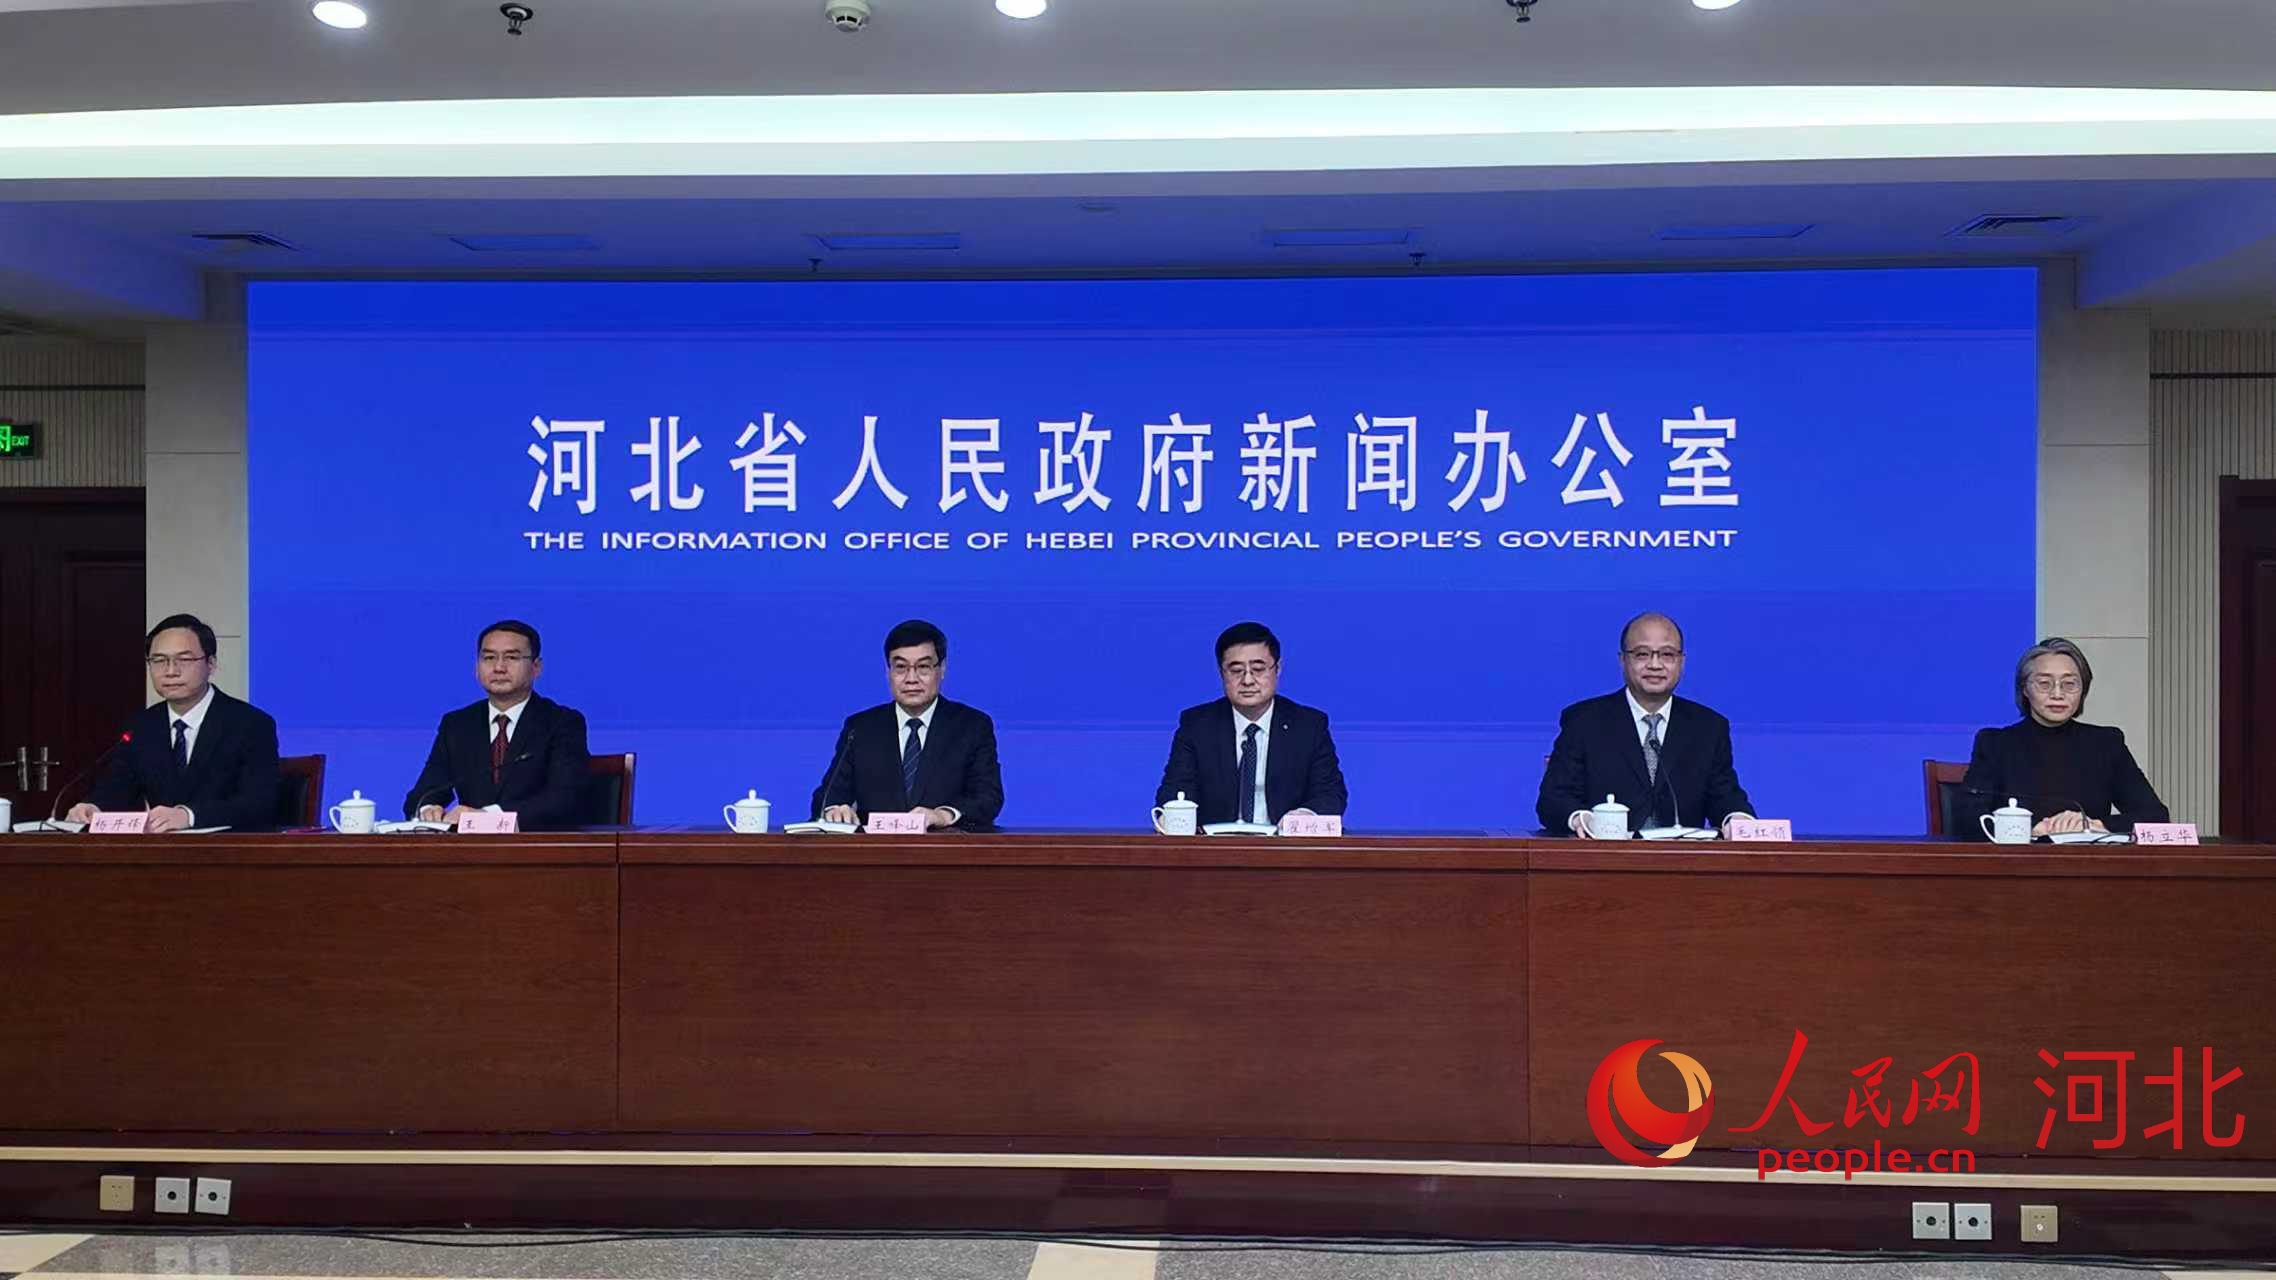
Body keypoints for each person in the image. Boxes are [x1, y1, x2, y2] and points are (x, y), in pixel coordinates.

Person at [1536, 611, 1755, 837]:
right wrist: (1580, 818)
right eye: (1642, 654)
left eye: (1667, 654)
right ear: (1623, 660)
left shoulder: (1708, 727)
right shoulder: (1584, 721)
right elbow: (1553, 799)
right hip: (1607, 854)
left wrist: (1737, 819)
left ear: (1681, 661)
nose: (1655, 664)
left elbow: (1725, 796)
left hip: (1681, 856)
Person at [70, 613, 282, 832]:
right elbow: (118, 787)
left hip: (228, 849)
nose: (171, 671)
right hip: (161, 850)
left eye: (184, 660)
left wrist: (189, 816)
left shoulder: (251, 724)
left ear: (211, 664)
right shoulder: (142, 726)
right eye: (159, 660)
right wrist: (93, 807)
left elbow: (259, 803)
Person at [1956, 637, 2168, 839]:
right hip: (2019, 860)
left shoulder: (2106, 743)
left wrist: (2096, 825)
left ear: (2083, 689)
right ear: (2025, 689)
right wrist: (2029, 829)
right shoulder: (1995, 744)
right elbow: (1966, 818)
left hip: (2088, 861)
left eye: (2069, 684)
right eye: (2044, 683)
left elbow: (2156, 816)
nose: (2057, 694)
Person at [811, 619, 1004, 832]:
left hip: (945, 848)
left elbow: (988, 797)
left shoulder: (972, 726)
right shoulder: (860, 728)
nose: (911, 679)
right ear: (888, 671)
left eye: (923, 667)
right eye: (901, 667)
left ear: (942, 669)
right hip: (876, 850)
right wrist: (834, 810)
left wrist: (943, 815)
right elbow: (826, 797)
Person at [1155, 621, 1348, 828]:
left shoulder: (1308, 726)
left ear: (1277, 669)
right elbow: (1175, 790)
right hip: (1217, 844)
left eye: (1258, 669)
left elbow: (1330, 793)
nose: (1247, 680)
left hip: (1286, 844)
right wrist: (1174, 815)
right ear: (1221, 673)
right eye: (1236, 670)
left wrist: (1305, 815)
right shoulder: (1197, 726)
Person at [403, 620, 591, 830]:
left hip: (534, 844)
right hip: (470, 847)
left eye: (511, 657)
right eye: (489, 658)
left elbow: (564, 799)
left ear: (536, 667)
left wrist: (488, 817)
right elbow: (422, 794)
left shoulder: (562, 722)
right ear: (477, 668)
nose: (499, 667)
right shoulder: (457, 725)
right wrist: (428, 809)